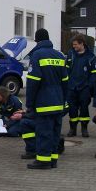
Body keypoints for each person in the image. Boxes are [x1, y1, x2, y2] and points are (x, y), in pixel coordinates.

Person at [24, 28, 68, 170]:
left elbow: (33, 82)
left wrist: (30, 103)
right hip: (58, 101)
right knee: (55, 132)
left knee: (44, 132)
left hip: (44, 103)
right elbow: (66, 81)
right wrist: (64, 100)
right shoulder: (60, 56)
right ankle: (53, 160)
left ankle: (43, 161)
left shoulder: (37, 55)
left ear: (37, 40)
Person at [65, 34, 96, 138]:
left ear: (82, 43)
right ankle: (72, 129)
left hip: (84, 88)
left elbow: (95, 73)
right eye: (73, 45)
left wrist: (89, 86)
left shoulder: (91, 56)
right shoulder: (71, 54)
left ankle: (84, 129)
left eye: (75, 44)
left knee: (84, 109)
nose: (73, 46)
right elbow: (66, 70)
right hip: (71, 88)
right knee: (72, 110)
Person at [0, 86, 36, 159]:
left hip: (17, 120)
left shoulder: (15, 101)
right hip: (8, 119)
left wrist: (7, 124)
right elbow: (2, 113)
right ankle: (9, 130)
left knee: (11, 132)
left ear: (3, 95)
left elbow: (17, 116)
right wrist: (3, 122)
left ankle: (18, 131)